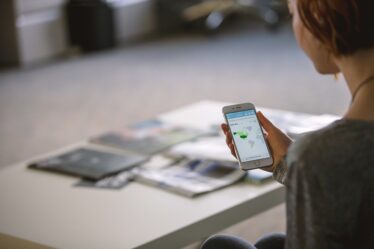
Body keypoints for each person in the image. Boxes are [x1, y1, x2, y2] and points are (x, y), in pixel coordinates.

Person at [201, 0, 374, 248]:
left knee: (220, 246)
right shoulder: (326, 157)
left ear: (320, 19)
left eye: (293, 14)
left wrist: (308, 162)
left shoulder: (322, 155)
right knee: (271, 243)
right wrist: (286, 164)